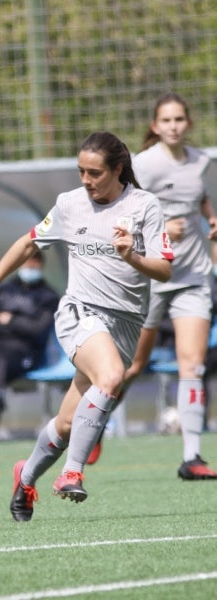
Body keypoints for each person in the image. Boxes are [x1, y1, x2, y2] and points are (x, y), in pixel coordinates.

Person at [0, 131, 173, 522]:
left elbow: (163, 269)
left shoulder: (144, 205)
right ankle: (71, 473)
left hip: (125, 324)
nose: (86, 180)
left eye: (94, 173)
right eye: (80, 171)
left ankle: (25, 478)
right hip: (80, 313)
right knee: (109, 378)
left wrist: (132, 256)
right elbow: (27, 244)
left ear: (118, 169)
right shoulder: (69, 204)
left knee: (69, 423)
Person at [97, 93, 216, 479]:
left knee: (192, 364)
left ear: (188, 123)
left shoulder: (203, 163)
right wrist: (162, 228)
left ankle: (192, 456)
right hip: (148, 278)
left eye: (180, 118)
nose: (174, 126)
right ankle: (94, 423)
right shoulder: (143, 166)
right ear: (155, 126)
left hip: (193, 277)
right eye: (166, 120)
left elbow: (204, 204)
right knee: (131, 367)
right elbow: (118, 215)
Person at [0, 250, 59, 442]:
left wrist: (10, 320)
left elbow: (38, 330)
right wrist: (21, 324)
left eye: (33, 265)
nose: (29, 268)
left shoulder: (48, 296)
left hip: (26, 353)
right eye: (26, 264)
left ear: (40, 266)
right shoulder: (4, 289)